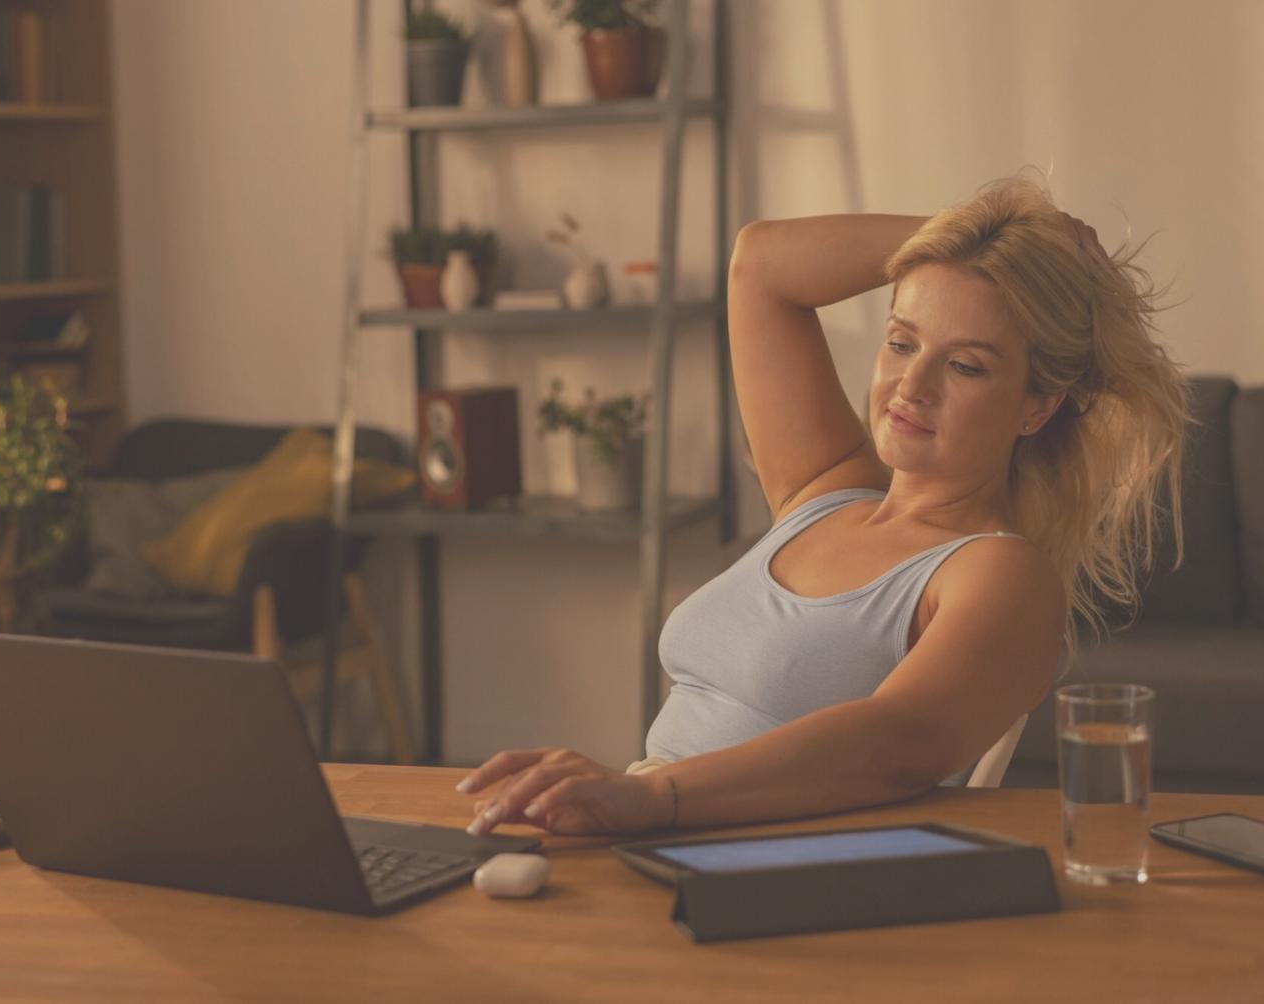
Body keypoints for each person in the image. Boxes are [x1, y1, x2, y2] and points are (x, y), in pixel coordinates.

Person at [458, 175, 1190, 837]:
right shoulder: (825, 491)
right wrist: (981, 238)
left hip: (767, 873)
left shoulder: (997, 573)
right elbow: (760, 264)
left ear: (1036, 407)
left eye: (965, 366)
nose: (911, 387)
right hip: (647, 834)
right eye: (901, 343)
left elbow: (900, 742)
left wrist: (653, 797)